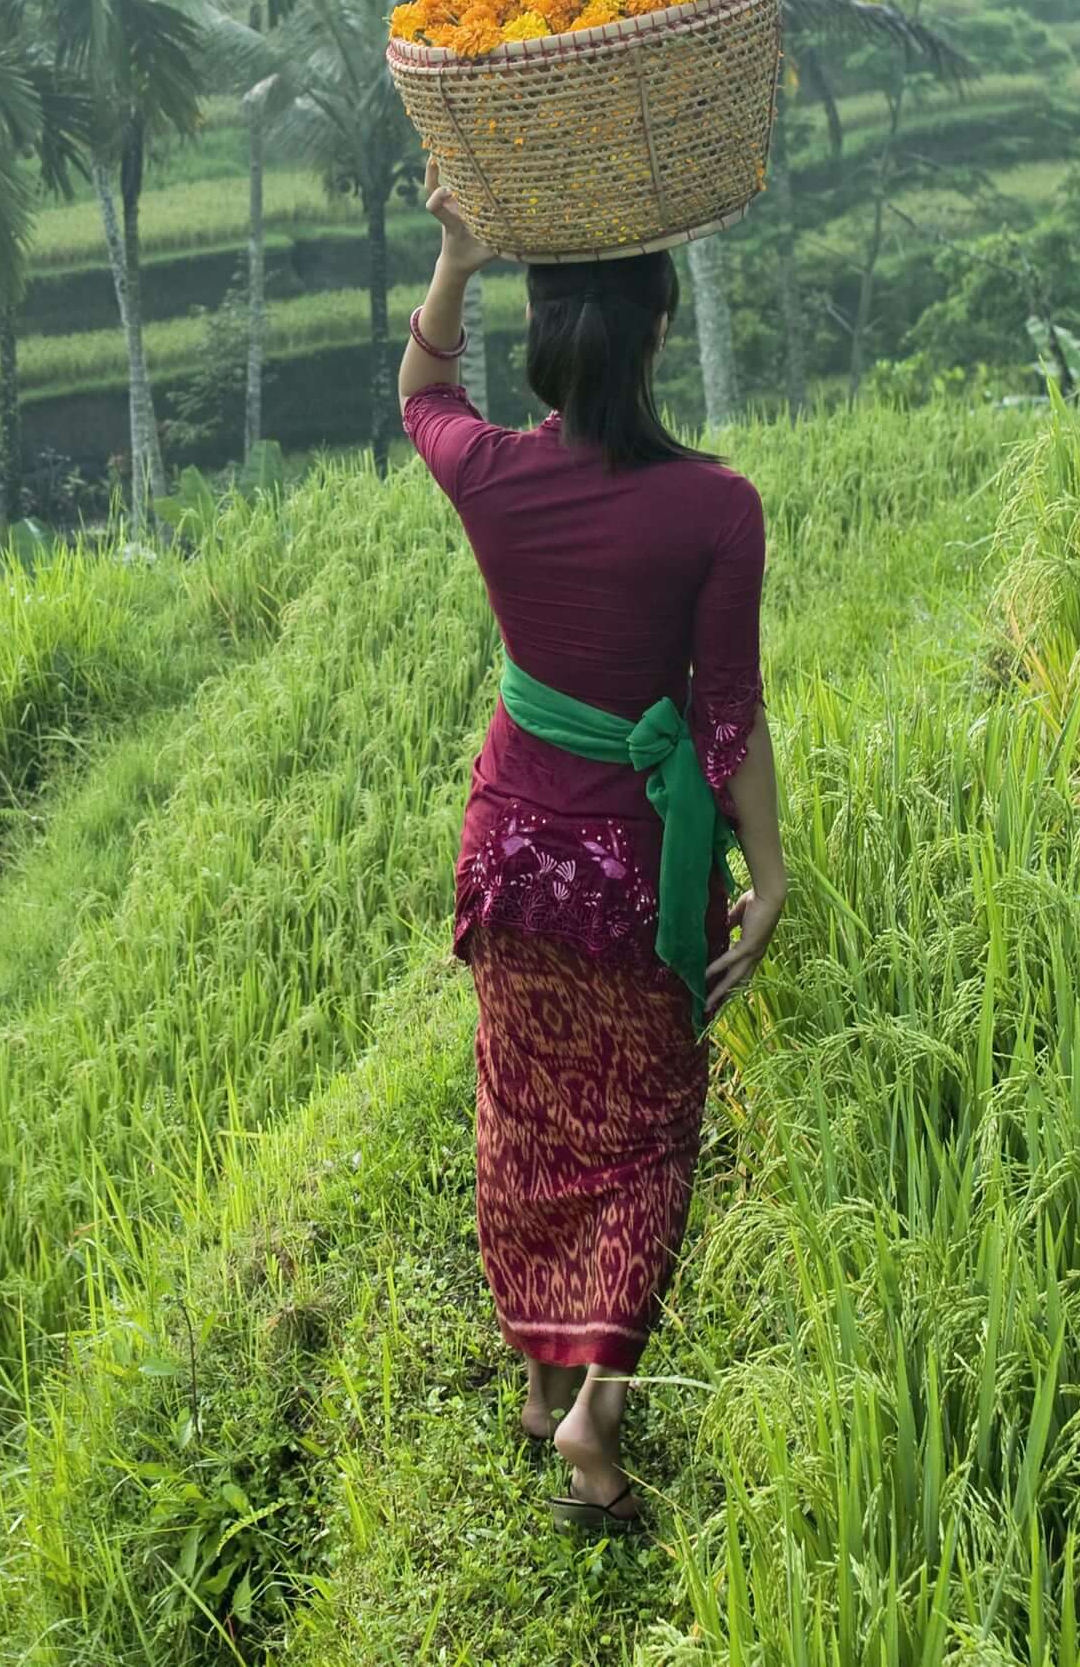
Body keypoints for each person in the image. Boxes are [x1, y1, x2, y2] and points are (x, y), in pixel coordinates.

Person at [397, 164, 786, 1536]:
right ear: (663, 332)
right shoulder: (715, 509)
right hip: (636, 872)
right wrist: (774, 879)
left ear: (551, 346)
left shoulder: (496, 479)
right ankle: (594, 1417)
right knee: (649, 1133)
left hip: (513, 857)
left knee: (528, 1112)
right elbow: (725, 712)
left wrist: (457, 251)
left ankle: (533, 1370)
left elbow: (423, 396)